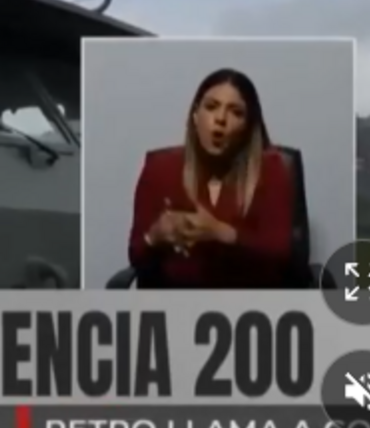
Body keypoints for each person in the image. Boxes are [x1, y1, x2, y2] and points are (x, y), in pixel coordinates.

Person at [126, 67, 297, 289]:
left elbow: (283, 255)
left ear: (248, 126)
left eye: (236, 112)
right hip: (177, 300)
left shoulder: (271, 169)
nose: (220, 119)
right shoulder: (160, 168)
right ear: (195, 115)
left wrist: (222, 232)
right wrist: (156, 235)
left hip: (247, 301)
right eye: (211, 107)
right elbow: (136, 255)